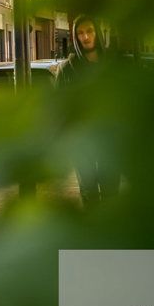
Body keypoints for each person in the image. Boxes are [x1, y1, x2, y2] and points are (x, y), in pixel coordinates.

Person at [62, 14, 119, 205]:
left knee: (111, 191)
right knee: (89, 193)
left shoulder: (111, 64)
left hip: (109, 138)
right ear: (75, 37)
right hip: (82, 140)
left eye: (89, 31)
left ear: (97, 33)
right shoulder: (68, 68)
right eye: (80, 33)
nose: (85, 37)